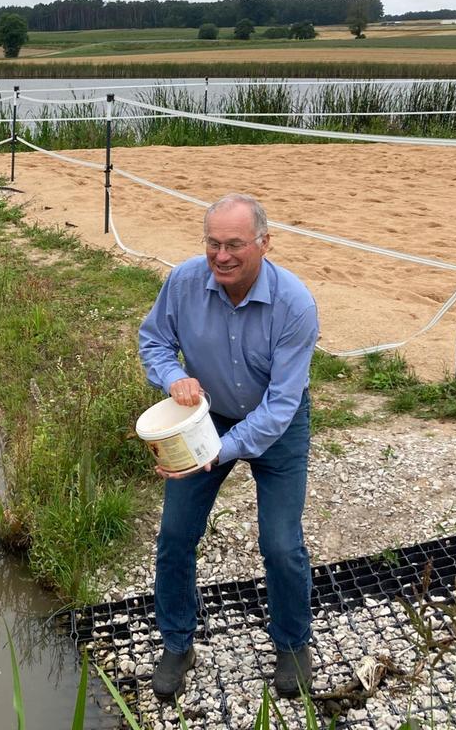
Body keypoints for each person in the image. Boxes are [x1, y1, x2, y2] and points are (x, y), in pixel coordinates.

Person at [137, 193, 319, 702]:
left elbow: (282, 406)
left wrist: (220, 451)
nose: (222, 256)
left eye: (235, 244)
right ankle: (178, 643)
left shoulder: (295, 303)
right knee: (175, 535)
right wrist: (174, 377)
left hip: (277, 425)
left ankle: (292, 642)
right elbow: (153, 340)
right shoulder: (183, 282)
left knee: (281, 545)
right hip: (206, 414)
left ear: (264, 242)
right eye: (213, 243)